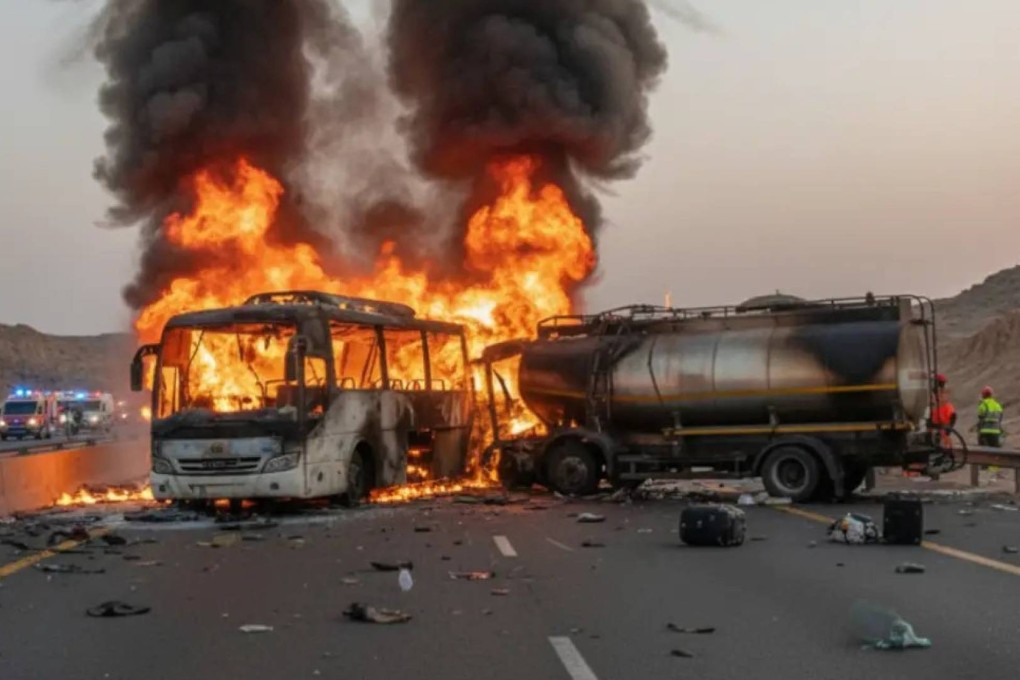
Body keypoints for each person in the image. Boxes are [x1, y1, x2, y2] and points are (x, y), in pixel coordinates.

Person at [929, 373, 956, 447]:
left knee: (942, 439)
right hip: (945, 418)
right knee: (942, 439)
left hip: (944, 419)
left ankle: (945, 451)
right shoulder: (937, 393)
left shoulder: (938, 394)